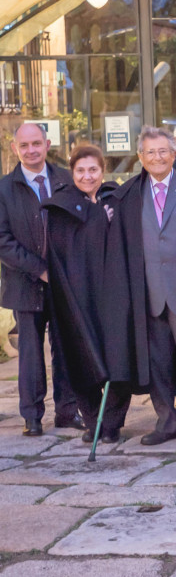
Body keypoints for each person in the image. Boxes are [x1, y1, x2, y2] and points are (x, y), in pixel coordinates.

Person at [103, 126, 176, 448]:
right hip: (148, 295)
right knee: (157, 365)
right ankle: (166, 422)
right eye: (150, 152)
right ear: (141, 158)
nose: (157, 157)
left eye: (162, 151)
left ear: (174, 154)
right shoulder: (130, 195)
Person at [43, 145, 131, 442]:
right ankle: (94, 421)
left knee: (118, 357)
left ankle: (112, 421)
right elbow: (57, 256)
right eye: (80, 170)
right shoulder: (61, 207)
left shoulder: (115, 200)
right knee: (81, 357)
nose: (87, 175)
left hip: (114, 295)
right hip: (78, 297)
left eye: (93, 169)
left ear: (102, 171)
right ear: (72, 173)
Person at [0, 122, 79, 436]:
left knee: (66, 349)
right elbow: (2, 240)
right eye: (24, 145)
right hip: (26, 282)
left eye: (36, 143)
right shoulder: (5, 188)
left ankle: (68, 411)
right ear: (14, 149)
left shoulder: (65, 179)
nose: (31, 150)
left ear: (47, 144)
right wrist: (40, 269)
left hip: (65, 284)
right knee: (31, 354)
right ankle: (32, 416)